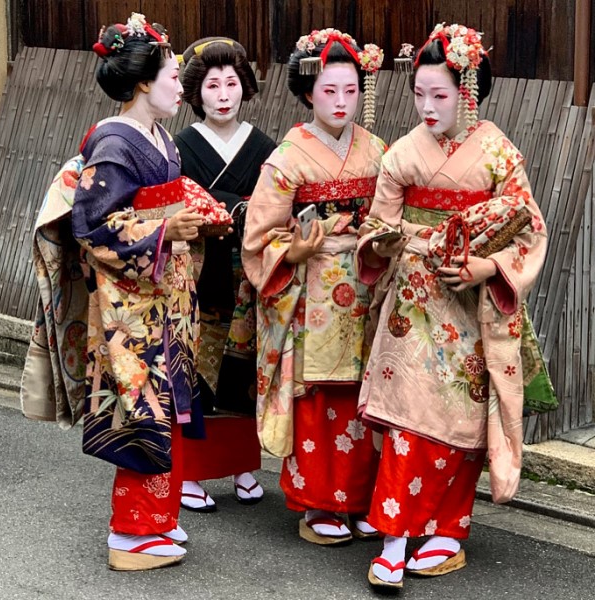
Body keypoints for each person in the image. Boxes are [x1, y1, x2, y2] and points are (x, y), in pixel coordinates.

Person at [356, 24, 548, 588]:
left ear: (468, 92)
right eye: (419, 94)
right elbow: (378, 226)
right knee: (408, 422)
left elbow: (528, 229)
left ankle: (446, 531)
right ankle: (393, 536)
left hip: (470, 302)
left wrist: (487, 268)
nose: (426, 106)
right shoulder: (401, 154)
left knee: (461, 424)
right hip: (414, 301)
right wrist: (382, 242)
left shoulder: (497, 151)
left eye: (439, 95)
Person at [71, 13, 206, 570]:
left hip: (167, 297)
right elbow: (93, 227)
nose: (182, 84)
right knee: (141, 412)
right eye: (175, 74)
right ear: (146, 82)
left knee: (169, 407)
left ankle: (158, 522)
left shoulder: (160, 138)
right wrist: (161, 231)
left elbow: (168, 198)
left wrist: (192, 218)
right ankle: (129, 534)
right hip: (133, 305)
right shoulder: (114, 142)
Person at [242, 28, 386, 545]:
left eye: (350, 90)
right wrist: (294, 251)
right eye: (329, 90)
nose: (341, 101)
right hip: (310, 291)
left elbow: (390, 212)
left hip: (367, 286)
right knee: (319, 398)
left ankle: (366, 498)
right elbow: (259, 235)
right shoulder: (287, 158)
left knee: (366, 398)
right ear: (308, 93)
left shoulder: (377, 150)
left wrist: (378, 236)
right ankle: (317, 504)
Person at [174, 37, 276, 511]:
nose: (222, 94)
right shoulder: (180, 147)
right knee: (196, 370)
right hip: (200, 272)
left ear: (244, 88)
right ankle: (193, 473)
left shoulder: (265, 147)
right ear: (196, 93)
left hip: (250, 275)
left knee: (246, 369)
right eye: (212, 84)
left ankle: (242, 466)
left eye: (231, 83)